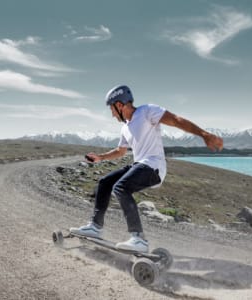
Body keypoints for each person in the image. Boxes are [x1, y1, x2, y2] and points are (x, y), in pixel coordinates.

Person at [70, 85, 223, 253]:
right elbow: (120, 151)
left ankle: (138, 239)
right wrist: (101, 157)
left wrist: (205, 134)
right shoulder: (125, 127)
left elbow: (176, 120)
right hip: (140, 164)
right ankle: (95, 227)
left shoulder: (147, 111)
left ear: (119, 105)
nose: (112, 114)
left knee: (120, 187)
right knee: (105, 182)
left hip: (154, 166)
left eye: (112, 109)